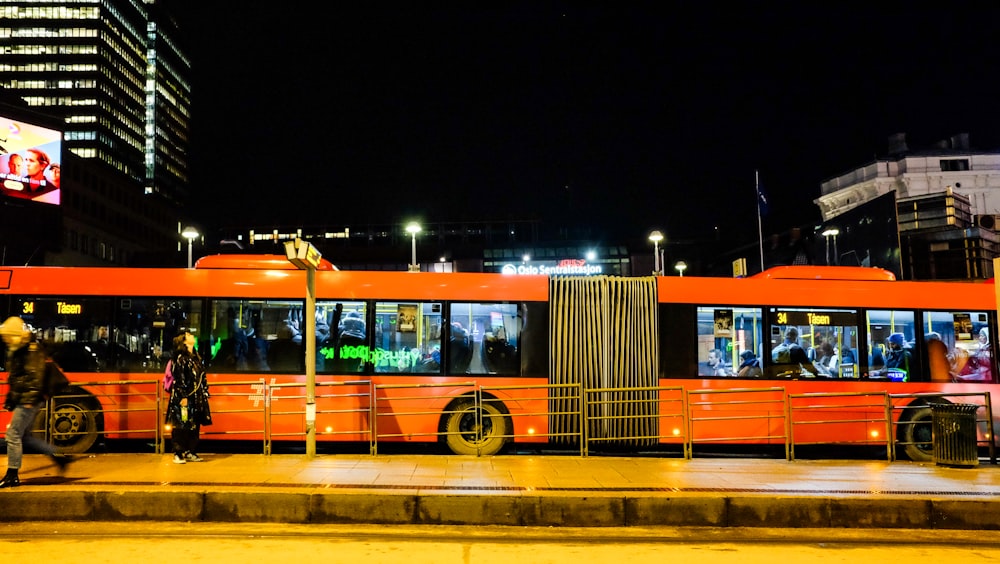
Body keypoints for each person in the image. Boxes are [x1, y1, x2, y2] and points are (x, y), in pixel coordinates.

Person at [0, 316, 72, 488]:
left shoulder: (30, 350)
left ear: (15, 335)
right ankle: (59, 456)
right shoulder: (20, 348)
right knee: (25, 437)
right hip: (25, 399)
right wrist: (12, 398)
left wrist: (28, 400)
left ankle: (12, 475)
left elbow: (34, 378)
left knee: (13, 435)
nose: (5, 340)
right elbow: (18, 378)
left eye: (8, 336)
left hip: (28, 401)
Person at [165, 329, 212, 464]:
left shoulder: (196, 358)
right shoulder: (180, 358)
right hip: (184, 399)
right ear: (184, 341)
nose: (193, 336)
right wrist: (183, 397)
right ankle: (178, 452)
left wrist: (205, 391)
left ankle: (190, 450)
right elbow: (179, 379)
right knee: (181, 423)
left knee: (194, 424)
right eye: (189, 335)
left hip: (196, 398)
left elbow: (202, 378)